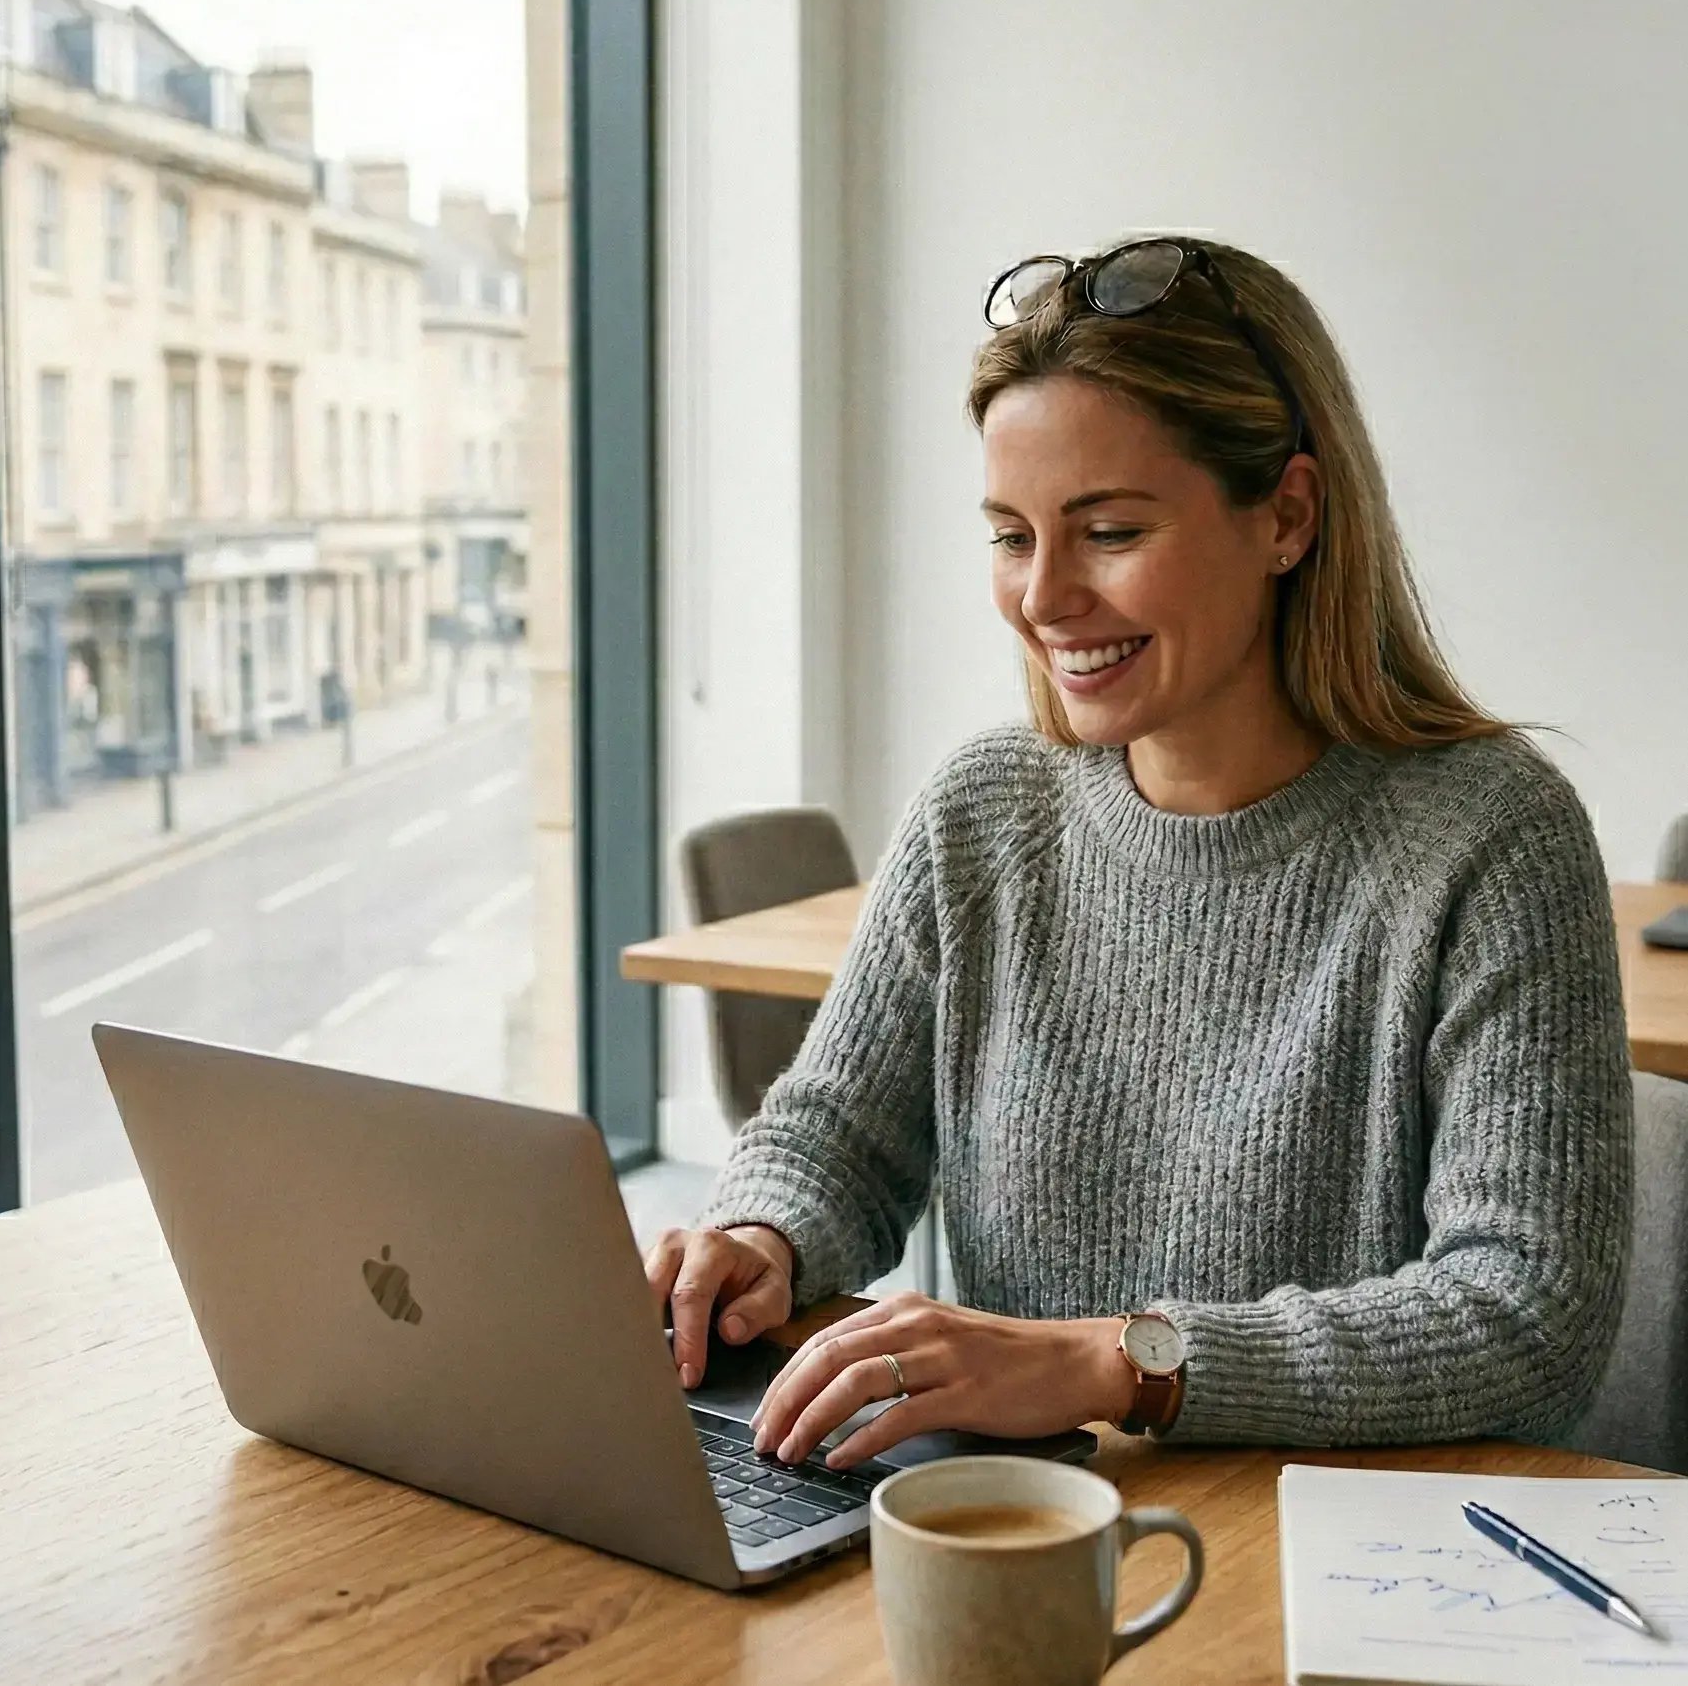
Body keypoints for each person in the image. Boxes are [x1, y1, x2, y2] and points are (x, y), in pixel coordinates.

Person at [645, 237, 1632, 1473]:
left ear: (1284, 516)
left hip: (1343, 1573)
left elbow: (1524, 1316)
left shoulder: (1491, 838)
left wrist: (1116, 1361)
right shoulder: (983, 813)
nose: (1043, 597)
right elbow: (839, 1130)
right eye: (1011, 535)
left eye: (1107, 530)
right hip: (1027, 1533)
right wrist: (758, 1232)